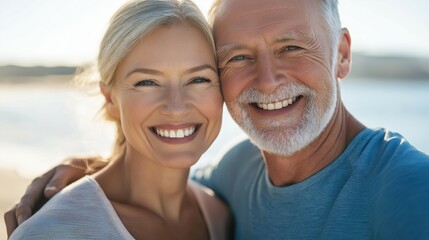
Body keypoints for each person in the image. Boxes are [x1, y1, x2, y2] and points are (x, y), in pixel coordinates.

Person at [5, 0, 429, 239]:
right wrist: (89, 174)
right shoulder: (235, 177)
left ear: (342, 53)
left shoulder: (408, 190)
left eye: (291, 48)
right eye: (238, 57)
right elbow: (152, 183)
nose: (266, 81)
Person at [6, 0, 232, 239]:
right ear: (110, 99)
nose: (176, 107)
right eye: (147, 82)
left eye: (199, 79)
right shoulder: (53, 231)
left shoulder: (219, 215)